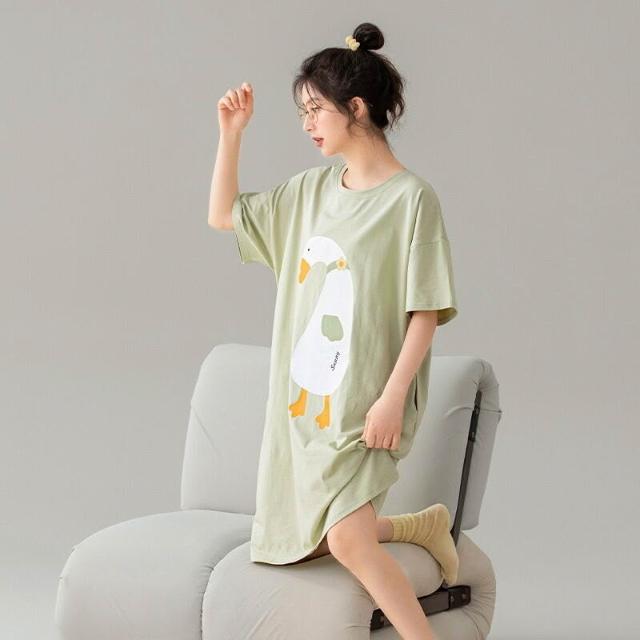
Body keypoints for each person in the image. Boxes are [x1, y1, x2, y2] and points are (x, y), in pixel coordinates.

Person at [208, 22, 460, 640]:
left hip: (370, 401)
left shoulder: (411, 200)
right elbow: (222, 215)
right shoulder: (309, 192)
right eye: (302, 113)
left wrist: (393, 398)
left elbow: (425, 310)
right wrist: (231, 135)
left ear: (357, 108)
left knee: (346, 540)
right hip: (307, 406)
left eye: (316, 110)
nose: (307, 125)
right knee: (302, 539)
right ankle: (420, 527)